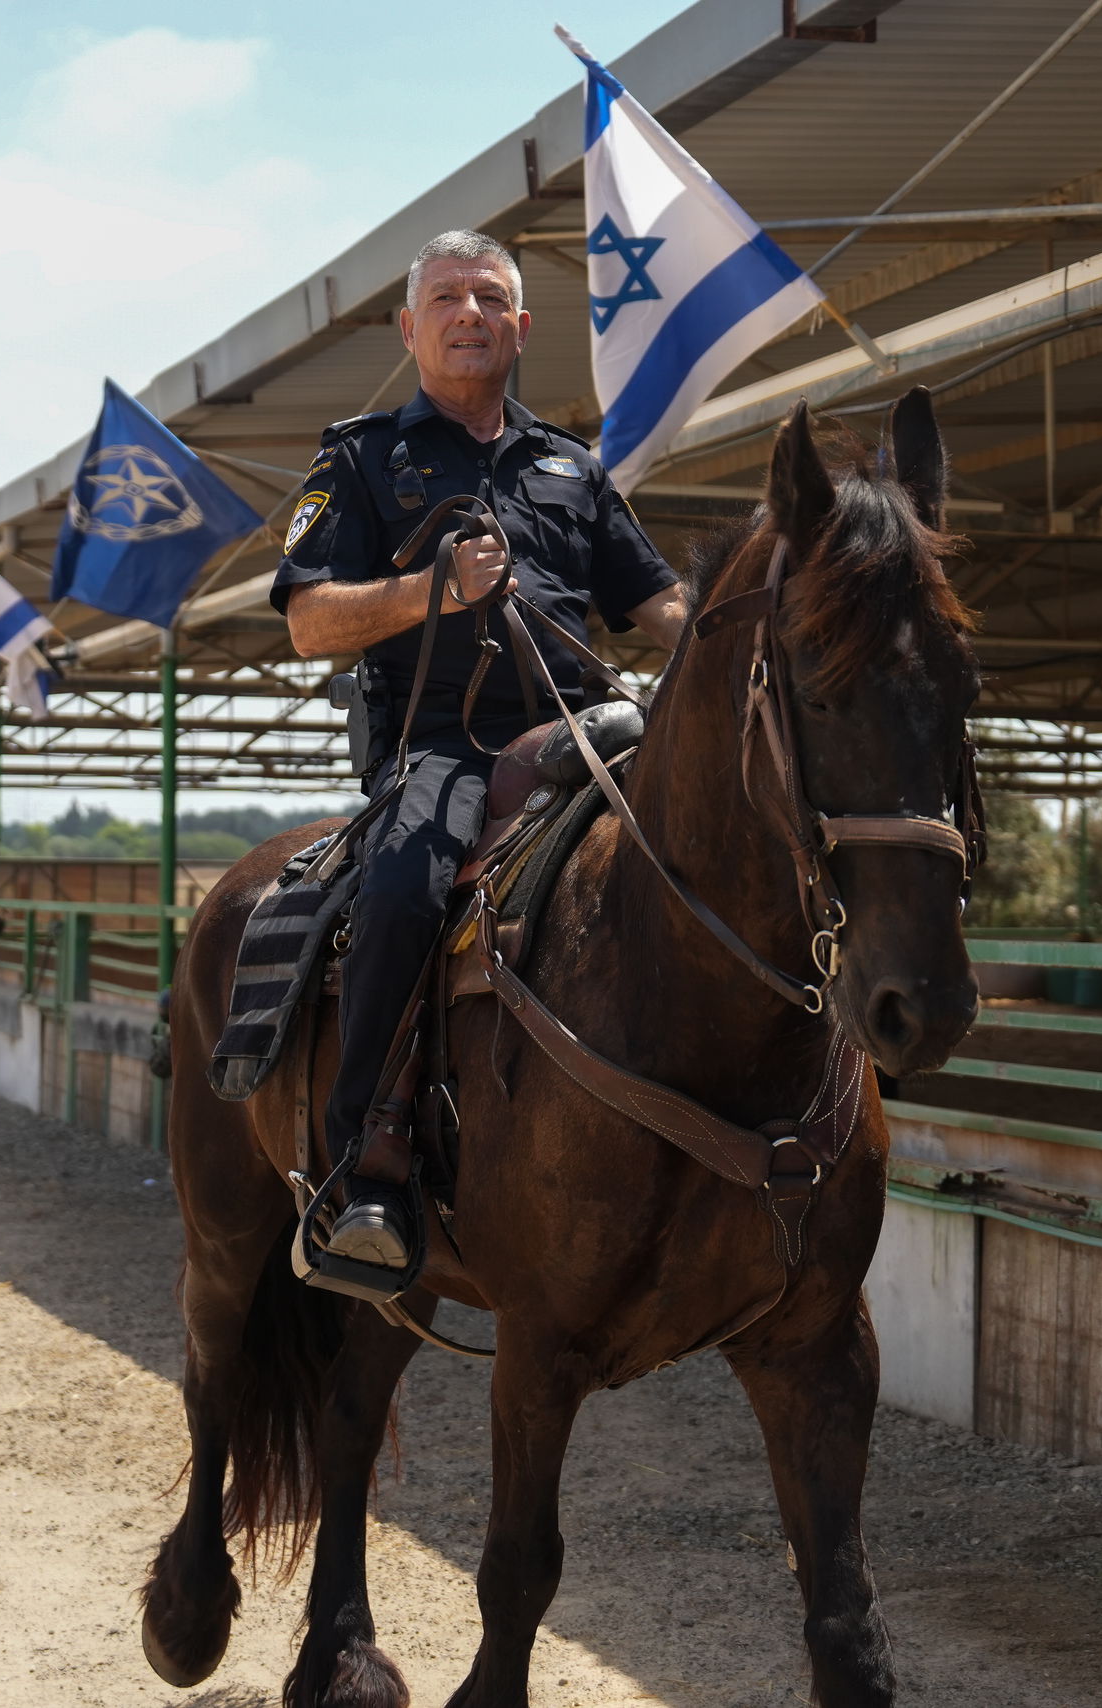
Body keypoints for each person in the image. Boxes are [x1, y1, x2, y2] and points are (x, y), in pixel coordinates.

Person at [271, 229, 687, 1281]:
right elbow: (310, 623)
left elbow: (660, 608)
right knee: (407, 883)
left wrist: (760, 633)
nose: (470, 314)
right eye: (447, 298)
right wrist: (432, 594)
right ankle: (362, 1164)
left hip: (588, 733)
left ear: (520, 327)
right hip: (439, 748)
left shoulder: (570, 468)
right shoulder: (360, 458)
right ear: (410, 328)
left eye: (490, 298)